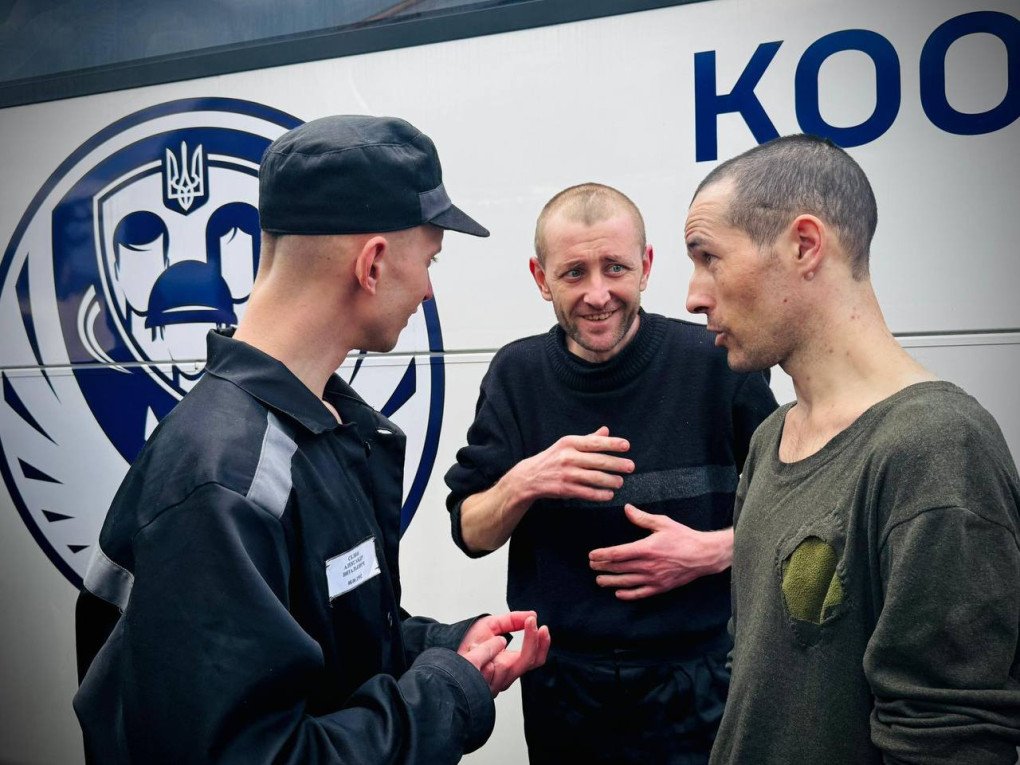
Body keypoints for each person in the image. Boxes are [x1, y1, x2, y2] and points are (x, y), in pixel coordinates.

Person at [73, 115, 550, 765]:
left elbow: (323, 649)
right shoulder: (227, 480)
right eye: (430, 260)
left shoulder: (315, 429)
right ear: (374, 263)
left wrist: (446, 646)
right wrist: (447, 696)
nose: (429, 289)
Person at [683, 134, 1020, 763]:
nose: (694, 295)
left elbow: (949, 739)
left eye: (708, 257)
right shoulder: (770, 437)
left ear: (805, 246)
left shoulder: (938, 448)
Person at [445, 182, 778, 763]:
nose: (598, 294)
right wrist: (527, 479)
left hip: (701, 681)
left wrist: (716, 550)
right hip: (564, 689)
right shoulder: (516, 375)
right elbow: (471, 533)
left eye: (615, 268)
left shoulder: (717, 364)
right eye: (574, 273)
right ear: (540, 277)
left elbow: (796, 512)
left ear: (646, 267)